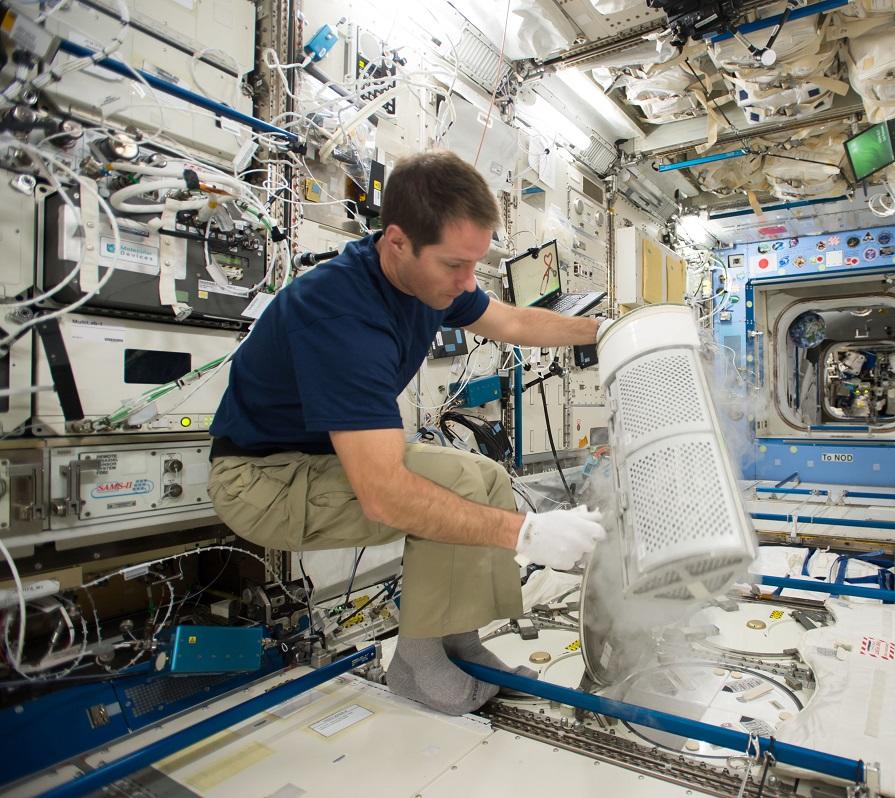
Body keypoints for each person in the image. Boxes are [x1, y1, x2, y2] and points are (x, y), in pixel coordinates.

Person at [206, 150, 607, 714]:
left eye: (475, 263)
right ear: (396, 242)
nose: (468, 282)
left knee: (485, 475)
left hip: (315, 464)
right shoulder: (340, 312)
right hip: (262, 481)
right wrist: (527, 535)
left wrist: (606, 332)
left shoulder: (427, 282)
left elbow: (514, 321)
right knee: (457, 486)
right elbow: (384, 493)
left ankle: (460, 644)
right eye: (455, 265)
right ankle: (417, 665)